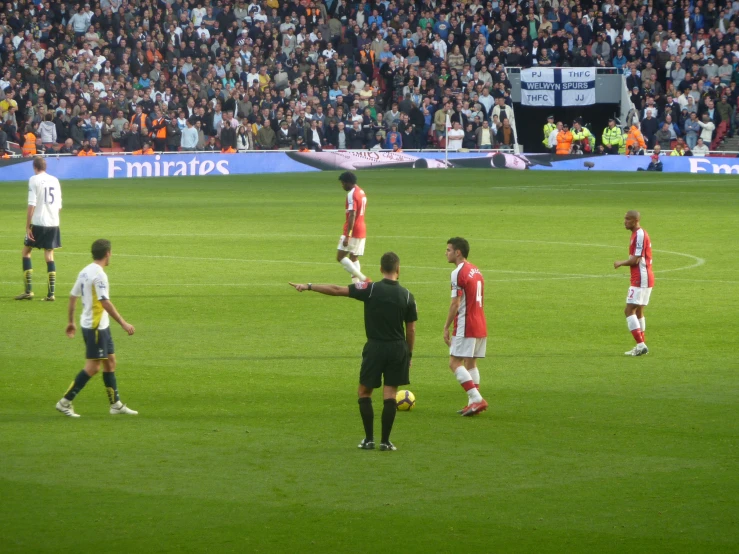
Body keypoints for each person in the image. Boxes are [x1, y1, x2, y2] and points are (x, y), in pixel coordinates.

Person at [289, 251, 417, 451]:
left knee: (364, 392)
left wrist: (309, 286)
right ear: (398, 270)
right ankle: (385, 442)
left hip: (375, 347)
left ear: (381, 269)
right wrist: (408, 354)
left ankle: (368, 439)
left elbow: (337, 289)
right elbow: (411, 329)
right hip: (398, 348)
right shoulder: (408, 295)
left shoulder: (370, 289)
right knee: (390, 394)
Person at [55, 239, 137, 417]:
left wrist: (71, 321)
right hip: (95, 328)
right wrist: (124, 323)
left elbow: (72, 296)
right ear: (108, 253)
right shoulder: (99, 275)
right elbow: (105, 302)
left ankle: (115, 405)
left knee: (110, 362)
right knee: (93, 367)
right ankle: (65, 402)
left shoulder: (85, 271)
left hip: (100, 326)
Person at [443, 237, 488, 416]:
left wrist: (446, 326)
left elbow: (456, 303)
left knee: (454, 362)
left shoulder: (457, 272)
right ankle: (472, 403)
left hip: (466, 324)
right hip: (480, 322)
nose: (446, 253)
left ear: (458, 252)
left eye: (448, 250)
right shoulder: (476, 270)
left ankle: (476, 399)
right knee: (471, 363)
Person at [15, 157, 62, 301]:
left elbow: (31, 204)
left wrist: (28, 225)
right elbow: (59, 206)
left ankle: (28, 291)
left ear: (35, 167)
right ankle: (51, 294)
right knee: (49, 256)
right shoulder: (55, 180)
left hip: (38, 222)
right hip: (53, 222)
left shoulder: (34, 180)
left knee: (26, 252)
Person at [613, 211, 653, 357]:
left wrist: (620, 263)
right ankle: (642, 345)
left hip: (640, 278)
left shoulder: (639, 235)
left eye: (628, 219)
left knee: (629, 310)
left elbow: (635, 260)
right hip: (643, 277)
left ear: (636, 220)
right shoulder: (636, 234)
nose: (625, 221)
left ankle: (640, 344)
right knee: (639, 311)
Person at [336, 171, 369, 283]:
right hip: (362, 229)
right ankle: (357, 285)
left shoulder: (352, 194)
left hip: (353, 230)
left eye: (343, 183)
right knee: (354, 257)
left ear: (348, 182)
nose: (342, 185)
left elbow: (352, 214)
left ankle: (363, 278)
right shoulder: (361, 191)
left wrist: (348, 235)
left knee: (340, 257)